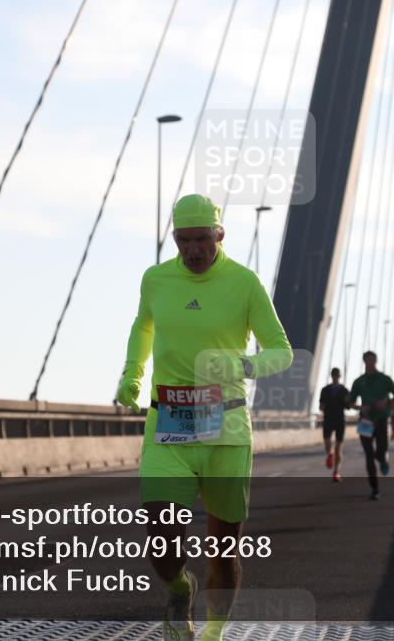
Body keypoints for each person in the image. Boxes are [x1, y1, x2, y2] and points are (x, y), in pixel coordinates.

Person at [116, 194, 293, 641]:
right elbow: (144, 326)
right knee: (161, 542)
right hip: (168, 425)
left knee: (223, 550)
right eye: (183, 240)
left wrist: (244, 366)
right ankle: (180, 587)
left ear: (220, 235)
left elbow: (282, 352)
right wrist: (132, 376)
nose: (193, 249)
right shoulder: (155, 279)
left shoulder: (244, 283)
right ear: (174, 238)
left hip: (226, 429)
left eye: (201, 239)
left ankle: (213, 632)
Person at [348, 351, 394, 501]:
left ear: (376, 361)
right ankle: (375, 488)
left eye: (372, 361)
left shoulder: (385, 379)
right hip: (365, 422)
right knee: (368, 456)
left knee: (381, 450)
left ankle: (383, 460)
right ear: (364, 362)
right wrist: (360, 408)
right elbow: (350, 402)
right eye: (367, 361)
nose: (370, 364)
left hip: (381, 420)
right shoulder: (358, 381)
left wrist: (386, 403)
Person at [318, 367, 350, 482]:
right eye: (334, 375)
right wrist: (323, 406)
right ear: (332, 376)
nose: (335, 377)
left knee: (338, 448)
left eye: (337, 375)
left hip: (340, 420)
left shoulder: (344, 390)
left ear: (339, 376)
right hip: (328, 419)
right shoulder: (324, 390)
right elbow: (321, 406)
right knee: (328, 445)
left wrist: (349, 401)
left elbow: (348, 406)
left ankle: (336, 472)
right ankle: (330, 455)